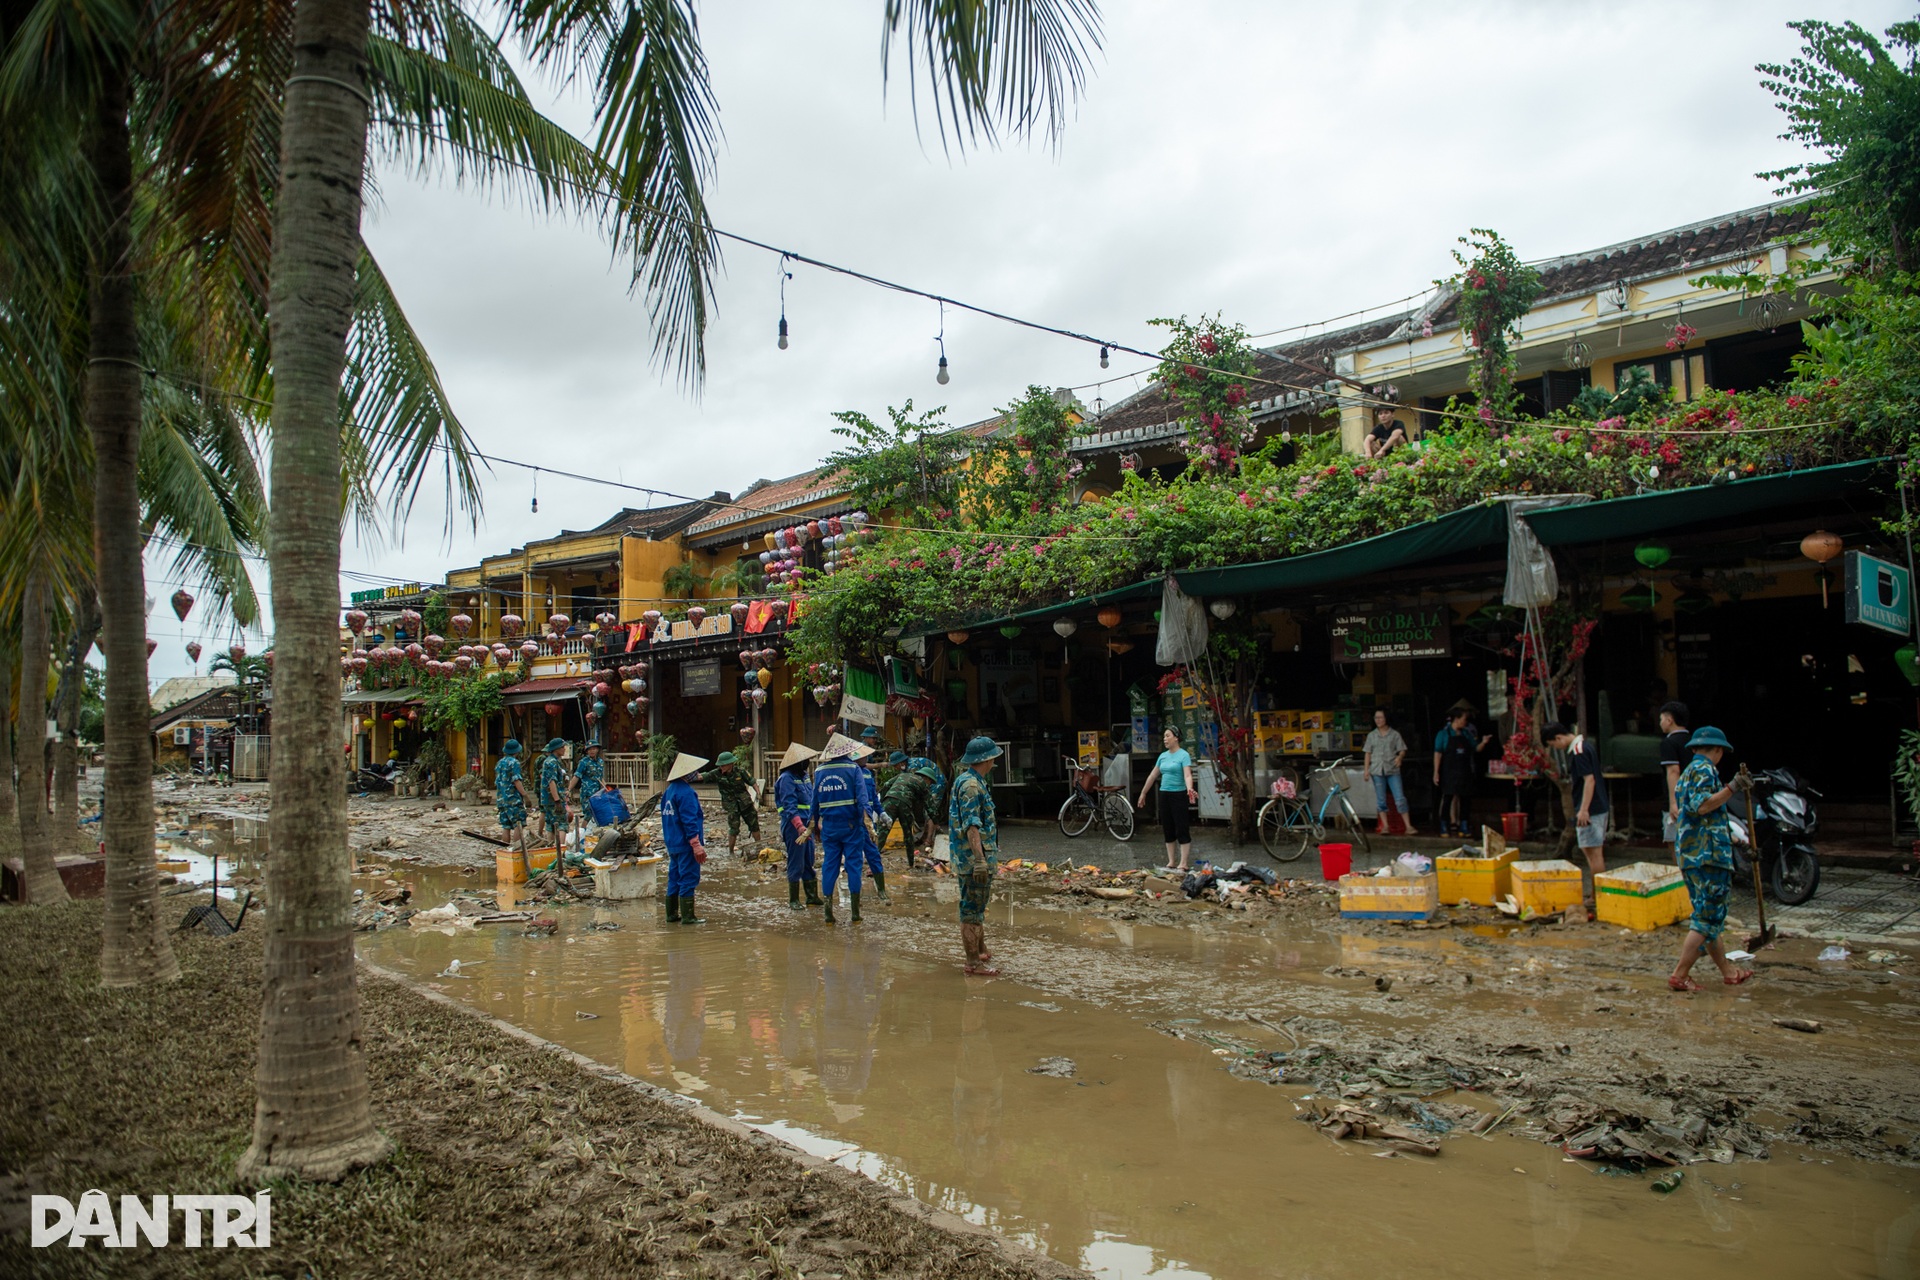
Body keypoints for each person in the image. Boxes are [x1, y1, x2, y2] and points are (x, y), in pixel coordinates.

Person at [1668, 726, 1756, 990]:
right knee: (1707, 920)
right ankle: (1679, 975)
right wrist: (1733, 787)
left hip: (1694, 855)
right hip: (1708, 857)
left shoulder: (1686, 774)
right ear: (1718, 750)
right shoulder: (1704, 771)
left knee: (1709, 918)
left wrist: (1739, 841)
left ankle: (1728, 972)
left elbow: (1708, 817)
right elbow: (1703, 805)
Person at [949, 736, 1004, 976]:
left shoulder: (970, 781)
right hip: (973, 860)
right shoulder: (971, 786)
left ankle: (980, 949)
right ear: (987, 759)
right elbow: (972, 826)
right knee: (972, 910)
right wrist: (980, 860)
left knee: (977, 906)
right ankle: (973, 963)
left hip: (971, 858)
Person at [1543, 722, 1609, 908]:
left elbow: (1589, 780)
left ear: (1559, 738)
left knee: (1593, 853)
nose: (1556, 748)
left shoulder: (1579, 751)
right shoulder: (1585, 746)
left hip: (1591, 808)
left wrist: (1584, 809)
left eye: (1553, 744)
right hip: (1596, 805)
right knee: (1594, 852)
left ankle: (1597, 897)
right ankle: (1598, 894)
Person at [810, 734, 869, 924]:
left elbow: (814, 802)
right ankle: (854, 913)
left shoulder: (819, 771)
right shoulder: (853, 769)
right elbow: (862, 799)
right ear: (847, 751)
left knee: (830, 865)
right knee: (853, 865)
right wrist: (866, 822)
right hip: (851, 826)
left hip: (828, 827)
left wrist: (814, 825)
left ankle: (828, 913)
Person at [1136, 727, 1198, 873]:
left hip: (1179, 794)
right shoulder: (1163, 756)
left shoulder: (1184, 755)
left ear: (1176, 738)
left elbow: (1187, 775)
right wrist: (1143, 793)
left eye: (1167, 736)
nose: (1165, 739)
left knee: (1181, 827)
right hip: (1164, 794)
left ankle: (1183, 862)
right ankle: (1171, 861)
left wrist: (1189, 788)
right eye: (1164, 736)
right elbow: (1152, 776)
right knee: (1168, 827)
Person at [659, 752, 710, 924]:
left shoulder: (669, 791)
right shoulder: (686, 792)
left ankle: (671, 914)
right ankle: (688, 917)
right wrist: (696, 844)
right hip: (686, 843)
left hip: (672, 843)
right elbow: (689, 820)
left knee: (674, 877)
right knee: (688, 877)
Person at [775, 742, 822, 911]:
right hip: (793, 826)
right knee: (796, 861)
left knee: (809, 860)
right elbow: (789, 806)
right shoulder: (786, 778)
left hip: (807, 824)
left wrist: (814, 825)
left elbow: (811, 801)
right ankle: (794, 899)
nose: (807, 763)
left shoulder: (804, 777)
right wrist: (799, 826)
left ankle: (812, 897)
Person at [1431, 707, 1491, 837]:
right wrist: (1436, 772)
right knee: (1448, 797)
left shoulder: (1466, 734)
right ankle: (1444, 824)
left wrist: (1484, 742)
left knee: (1465, 798)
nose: (1466, 722)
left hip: (1464, 771)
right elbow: (1438, 753)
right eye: (1464, 719)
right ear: (1457, 719)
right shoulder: (1443, 734)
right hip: (1449, 771)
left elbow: (1476, 748)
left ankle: (1464, 824)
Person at [1361, 709, 1417, 836]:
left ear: (1386, 719)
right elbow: (1367, 753)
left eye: (1380, 718)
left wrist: (1399, 757)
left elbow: (1402, 749)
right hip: (1376, 770)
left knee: (1399, 798)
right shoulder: (1372, 735)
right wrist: (1366, 770)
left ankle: (1408, 826)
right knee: (1381, 800)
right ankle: (1385, 826)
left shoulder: (1394, 734)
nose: (1378, 720)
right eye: (1376, 718)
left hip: (1392, 769)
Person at [702, 751, 761, 858]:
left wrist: (758, 792)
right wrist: (689, 776)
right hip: (731, 805)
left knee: (754, 824)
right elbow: (703, 776)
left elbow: (752, 781)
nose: (721, 767)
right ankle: (731, 852)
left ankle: (759, 847)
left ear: (730, 764)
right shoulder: (716, 773)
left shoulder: (740, 771)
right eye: (720, 765)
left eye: (723, 765)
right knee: (733, 828)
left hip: (745, 802)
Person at [853, 743, 890, 901]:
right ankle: (855, 894)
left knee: (874, 855)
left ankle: (881, 890)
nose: (866, 757)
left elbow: (874, 797)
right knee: (854, 858)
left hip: (869, 822)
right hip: (854, 820)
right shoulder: (850, 772)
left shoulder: (868, 774)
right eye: (863, 755)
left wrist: (882, 813)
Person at [885, 761, 937, 868]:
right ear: (926, 778)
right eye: (930, 782)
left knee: (883, 832)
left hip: (889, 801)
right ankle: (911, 864)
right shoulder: (922, 783)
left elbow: (886, 784)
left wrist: (883, 800)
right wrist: (936, 821)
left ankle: (873, 863)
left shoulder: (903, 775)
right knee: (908, 834)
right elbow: (930, 807)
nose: (929, 785)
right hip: (904, 803)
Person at [1657, 701, 1691, 850]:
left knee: (1675, 843)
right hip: (1693, 796)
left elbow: (1673, 771)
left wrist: (1673, 803)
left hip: (1678, 799)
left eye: (1661, 719)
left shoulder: (1669, 743)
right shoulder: (1692, 740)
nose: (1660, 723)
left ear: (1669, 720)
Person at [493, 740, 533, 849]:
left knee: (506, 826)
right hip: (513, 799)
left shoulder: (499, 763)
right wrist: (525, 796)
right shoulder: (514, 763)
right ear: (517, 751)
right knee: (518, 824)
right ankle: (516, 850)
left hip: (501, 799)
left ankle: (505, 850)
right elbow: (516, 781)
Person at [537, 738, 572, 843]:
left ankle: (552, 849)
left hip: (548, 799)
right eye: (562, 747)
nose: (564, 749)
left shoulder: (552, 761)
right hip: (553, 799)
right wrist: (557, 800)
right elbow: (551, 782)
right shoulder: (551, 762)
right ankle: (560, 850)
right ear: (556, 749)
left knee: (551, 824)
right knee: (562, 824)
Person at [570, 740, 605, 809]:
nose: (592, 751)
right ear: (587, 751)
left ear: (597, 750)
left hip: (597, 793)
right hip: (587, 793)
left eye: (594, 749)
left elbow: (600, 777)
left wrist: (606, 788)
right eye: (590, 749)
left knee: (597, 814)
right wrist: (569, 789)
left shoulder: (600, 762)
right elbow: (577, 776)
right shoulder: (583, 762)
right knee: (588, 814)